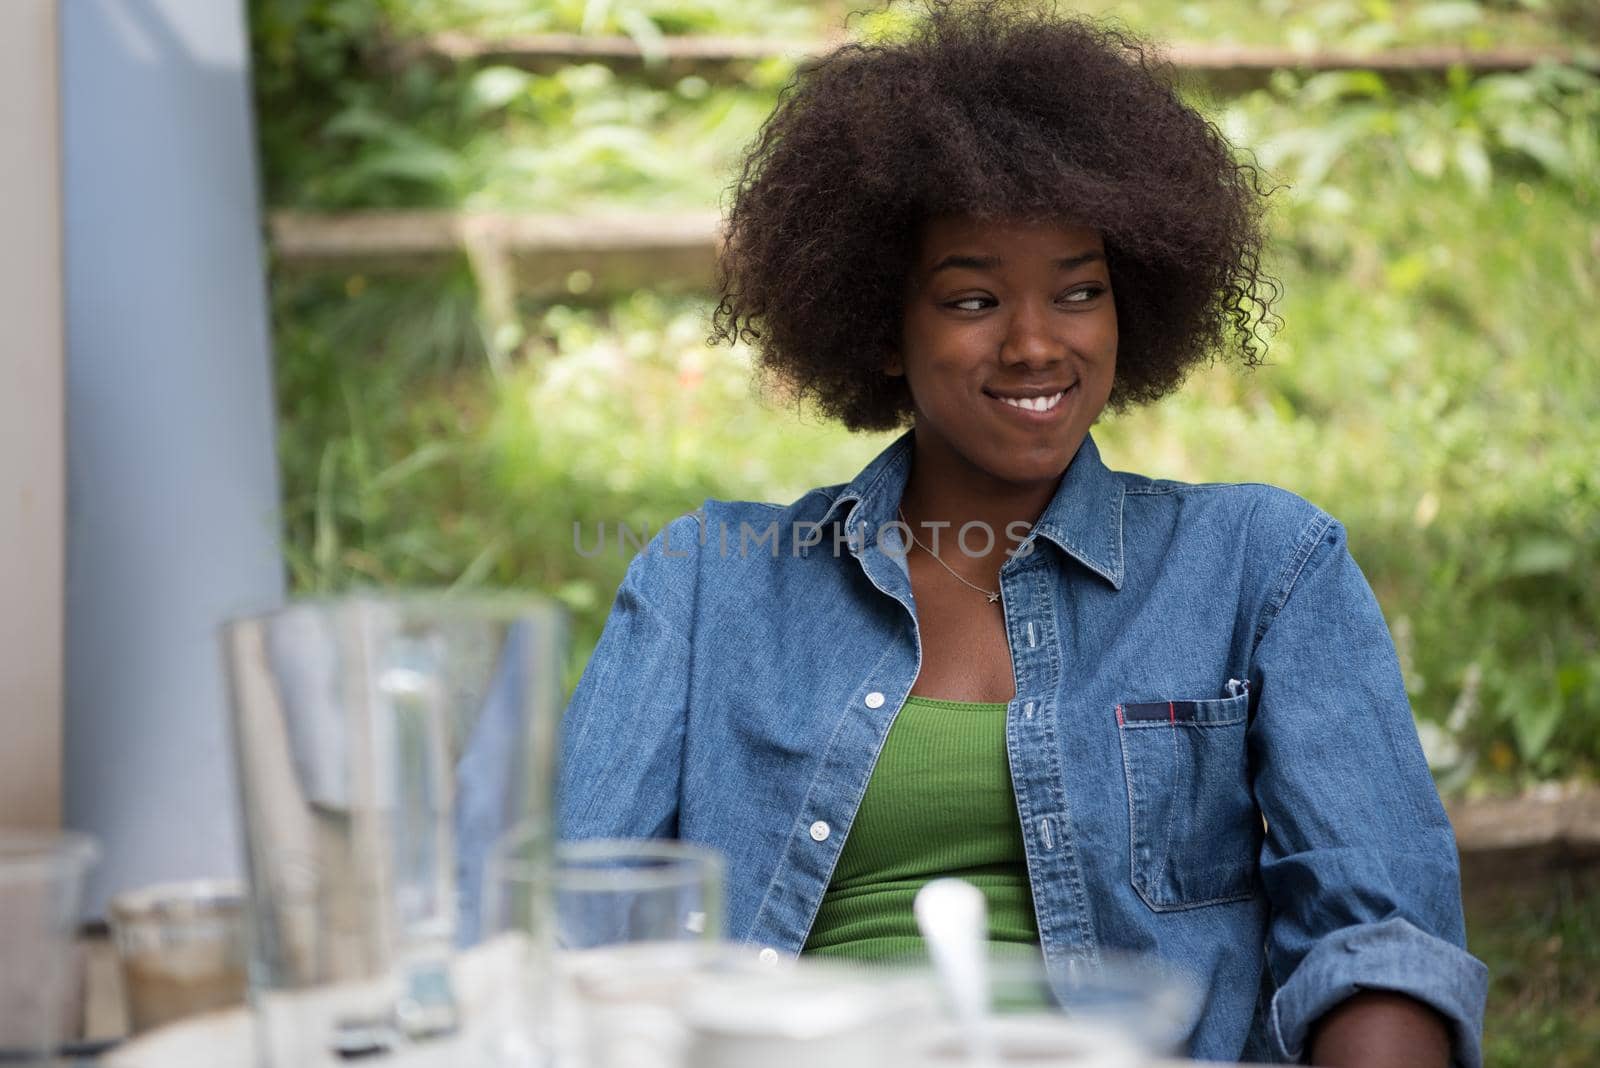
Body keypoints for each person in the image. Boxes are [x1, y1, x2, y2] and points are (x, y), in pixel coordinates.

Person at [556, 2, 1487, 1064]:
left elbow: (1380, 943)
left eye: (1078, 291)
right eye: (971, 299)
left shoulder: (1261, 567)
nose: (1036, 343)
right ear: (882, 326)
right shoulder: (705, 587)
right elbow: (572, 927)